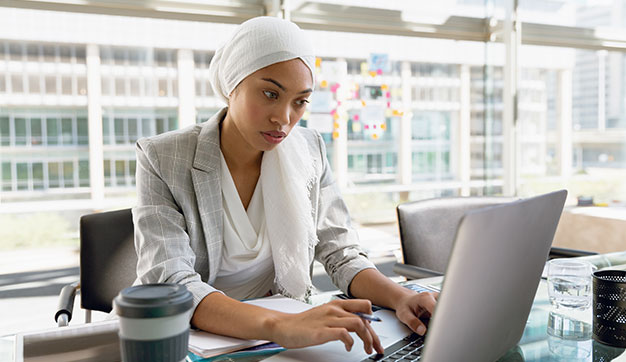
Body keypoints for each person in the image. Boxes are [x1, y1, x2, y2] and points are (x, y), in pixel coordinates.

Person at [132, 16, 437, 355]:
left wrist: (403, 298)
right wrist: (281, 325)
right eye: (269, 93)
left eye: (300, 101)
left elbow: (341, 253)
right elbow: (174, 286)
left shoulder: (308, 150)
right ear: (232, 85)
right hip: (194, 343)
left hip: (278, 341)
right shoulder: (164, 157)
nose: (284, 118)